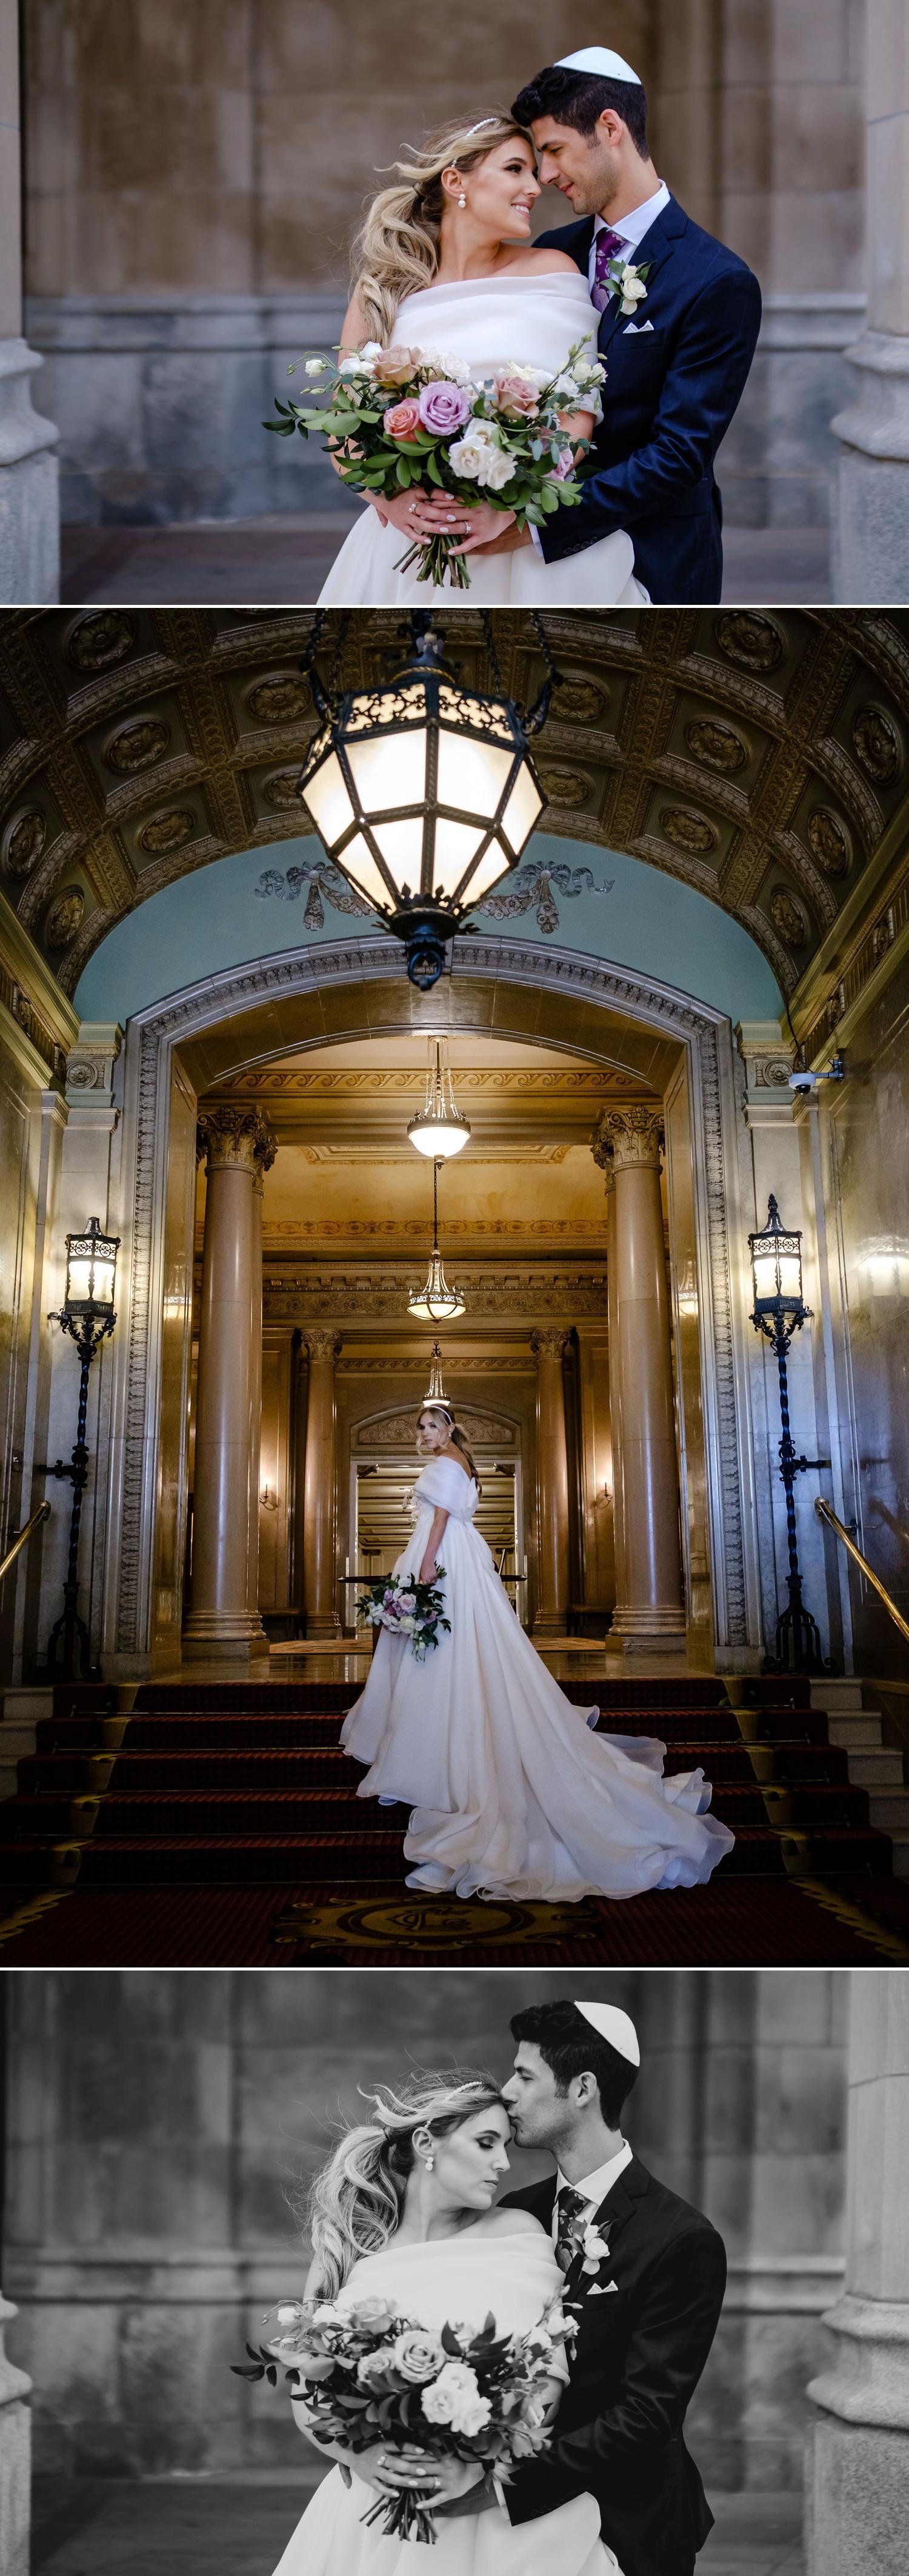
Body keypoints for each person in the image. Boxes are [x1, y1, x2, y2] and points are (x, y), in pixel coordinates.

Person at [341, 1399, 734, 1902]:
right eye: (421, 1426)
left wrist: (424, 1569)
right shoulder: (464, 1464)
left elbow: (438, 1520)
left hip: (441, 1556)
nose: (426, 1432)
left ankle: (430, 1744)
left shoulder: (444, 1465)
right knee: (462, 1647)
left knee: (441, 1646)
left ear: (450, 1427)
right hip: (465, 1556)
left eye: (433, 1425)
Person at [270, 2069, 621, 2575]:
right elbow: (309, 2388)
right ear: (425, 2142)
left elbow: (546, 2375)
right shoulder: (345, 2248)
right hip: (373, 2507)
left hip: (494, 2510)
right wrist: (364, 2461)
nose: (502, 2163)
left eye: (504, 2146)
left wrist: (476, 2468)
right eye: (485, 2143)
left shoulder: (517, 2231)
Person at [316, 112, 648, 606]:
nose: (535, 187)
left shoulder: (553, 271)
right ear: (456, 181)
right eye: (515, 169)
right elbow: (340, 427)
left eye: (535, 172)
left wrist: (512, 511)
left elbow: (577, 415)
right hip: (405, 548)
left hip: (523, 543)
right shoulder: (383, 292)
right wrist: (391, 498)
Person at [485, 45, 762, 605]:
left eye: (555, 150)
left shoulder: (717, 279)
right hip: (530, 568)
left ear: (610, 127)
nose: (546, 175)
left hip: (654, 558)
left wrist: (538, 523)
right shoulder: (551, 252)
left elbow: (680, 454)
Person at [499, 1997, 727, 2576]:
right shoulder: (513, 2214)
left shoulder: (681, 2238)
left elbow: (647, 2415)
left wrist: (499, 2479)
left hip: (628, 2525)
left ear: (582, 2089)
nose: (507, 2092)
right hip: (513, 2530)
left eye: (525, 2076)